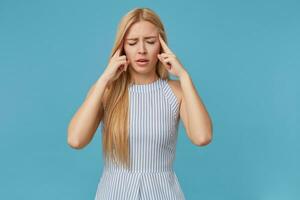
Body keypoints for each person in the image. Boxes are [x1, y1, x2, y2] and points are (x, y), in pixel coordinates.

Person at [67, 7, 213, 200]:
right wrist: (104, 79)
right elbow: (76, 140)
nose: (142, 50)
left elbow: (202, 137)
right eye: (133, 42)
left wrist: (185, 77)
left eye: (150, 42)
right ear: (122, 47)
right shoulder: (106, 91)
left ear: (161, 46)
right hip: (114, 194)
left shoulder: (176, 91)